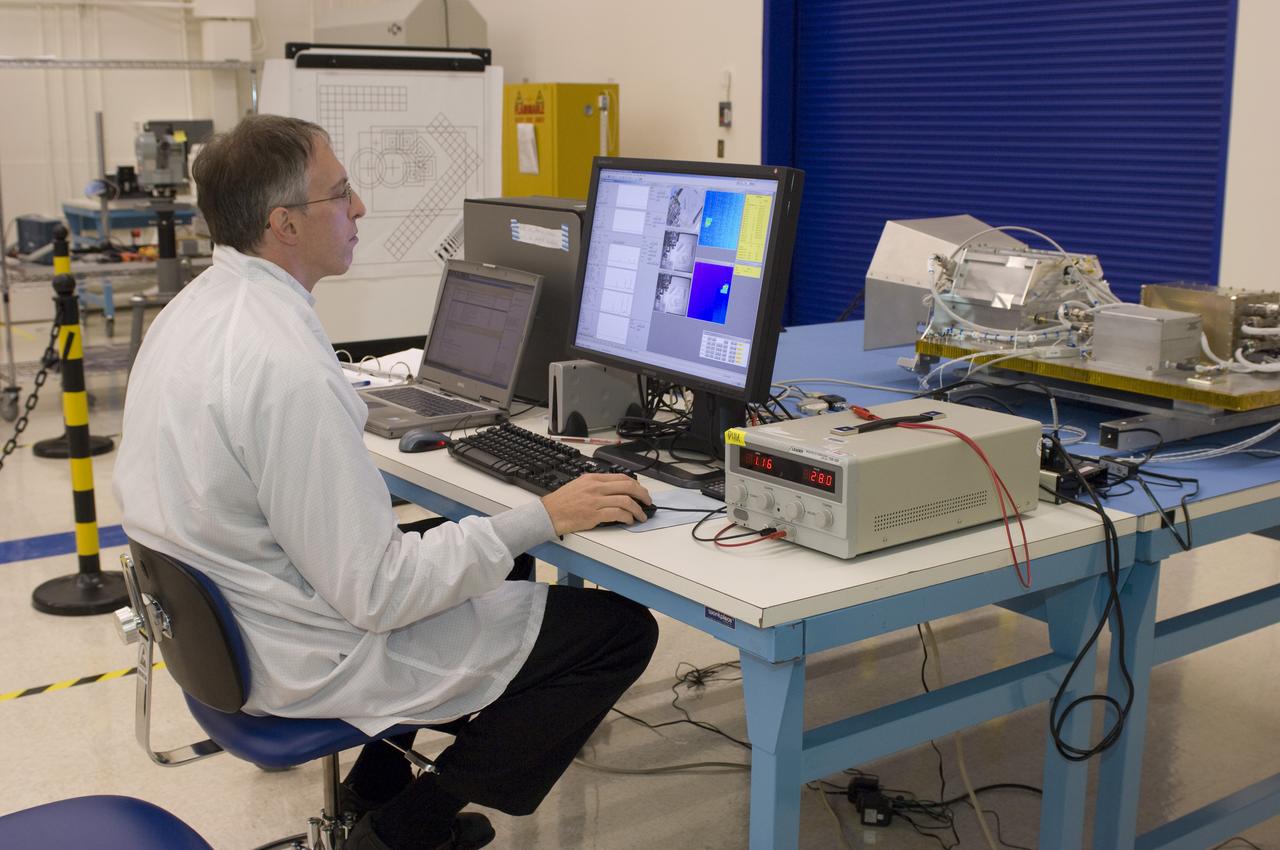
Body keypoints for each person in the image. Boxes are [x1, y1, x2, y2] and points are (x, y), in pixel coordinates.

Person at [113, 114, 659, 850]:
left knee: (502, 558)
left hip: (232, 621)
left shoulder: (193, 311)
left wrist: (519, 528)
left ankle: (374, 786)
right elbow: (378, 595)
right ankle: (402, 831)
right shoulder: (285, 367)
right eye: (340, 194)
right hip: (302, 652)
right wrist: (547, 513)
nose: (360, 208)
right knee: (618, 631)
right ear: (285, 224)